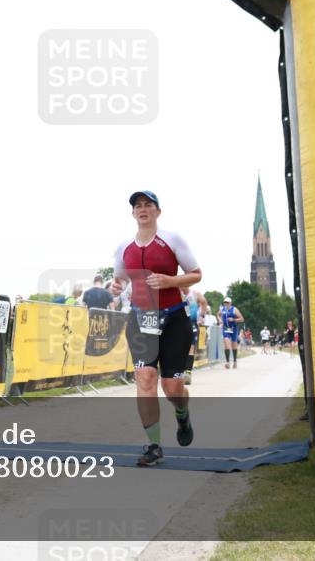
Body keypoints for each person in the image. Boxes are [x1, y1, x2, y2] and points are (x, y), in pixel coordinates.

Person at [109, 191, 201, 467]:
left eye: (148, 204)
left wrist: (170, 281)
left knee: (172, 388)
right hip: (141, 319)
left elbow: (196, 274)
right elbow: (120, 279)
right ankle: (154, 446)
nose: (143, 209)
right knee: (145, 379)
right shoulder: (124, 247)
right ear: (133, 213)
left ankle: (182, 414)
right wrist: (116, 287)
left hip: (173, 318)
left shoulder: (172, 239)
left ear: (157, 211)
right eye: (138, 206)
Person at [219, 297, 244, 369]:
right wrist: (220, 320)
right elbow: (218, 314)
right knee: (226, 343)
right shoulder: (222, 309)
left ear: (230, 303)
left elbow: (242, 319)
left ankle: (235, 361)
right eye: (225, 302)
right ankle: (227, 362)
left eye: (227, 302)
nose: (226, 304)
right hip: (225, 328)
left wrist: (233, 319)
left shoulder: (234, 309)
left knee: (234, 345)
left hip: (233, 329)